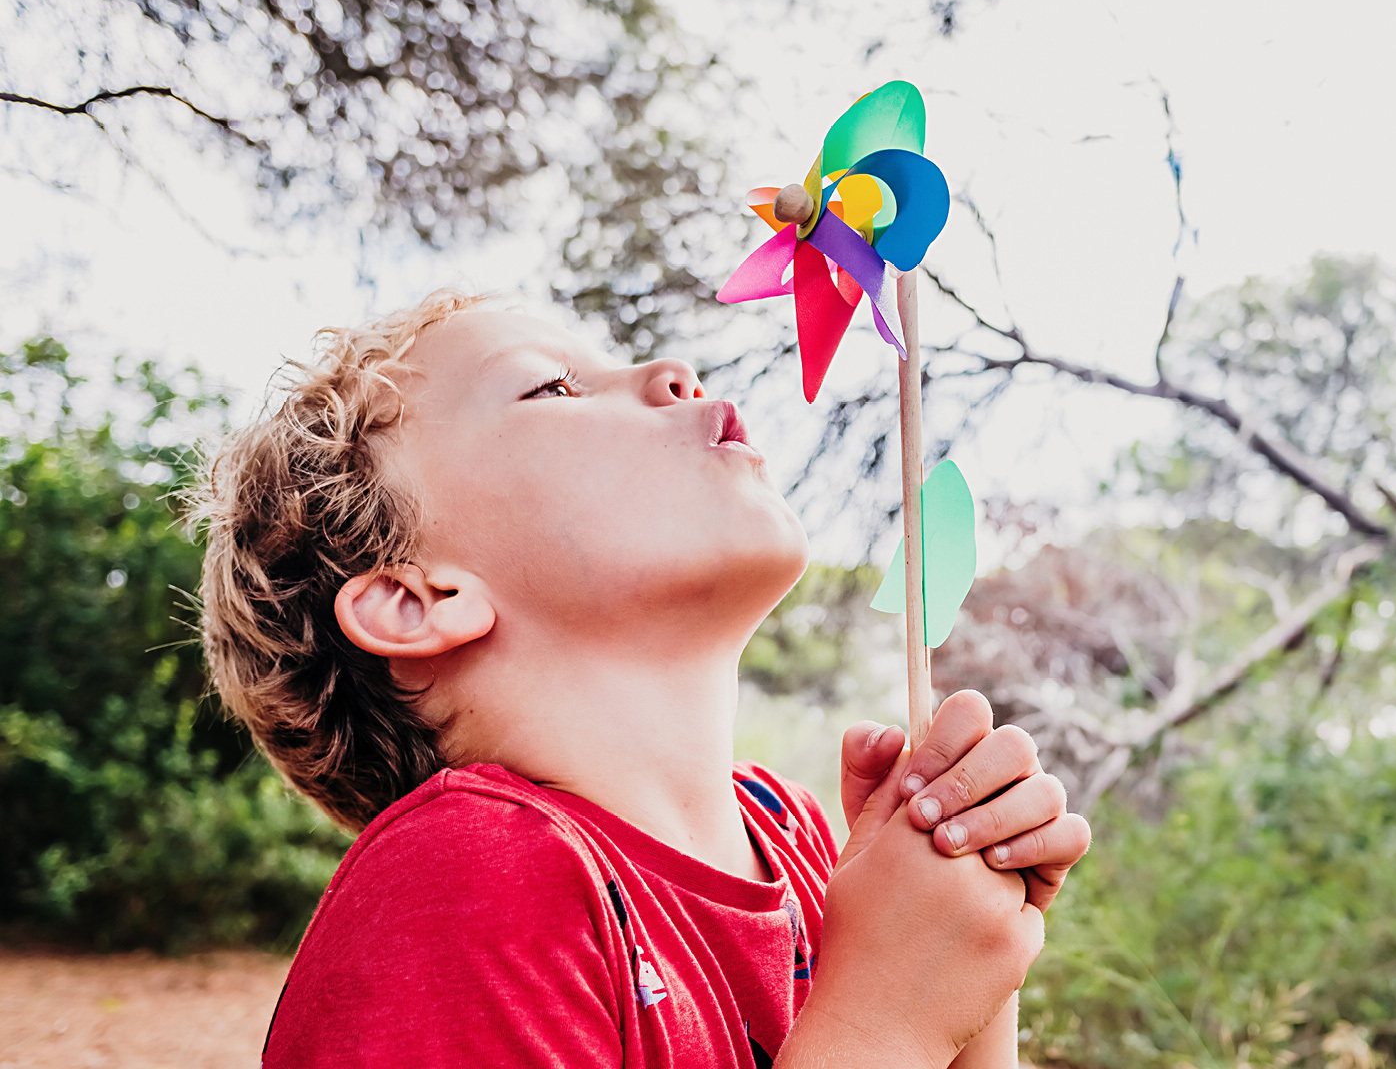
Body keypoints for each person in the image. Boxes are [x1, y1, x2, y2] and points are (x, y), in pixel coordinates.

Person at [192, 289, 1091, 1068]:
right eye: (553, 387)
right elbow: (880, 1036)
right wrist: (882, 1018)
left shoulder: (799, 842)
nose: (673, 371)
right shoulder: (463, 882)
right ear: (417, 600)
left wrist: (967, 955)